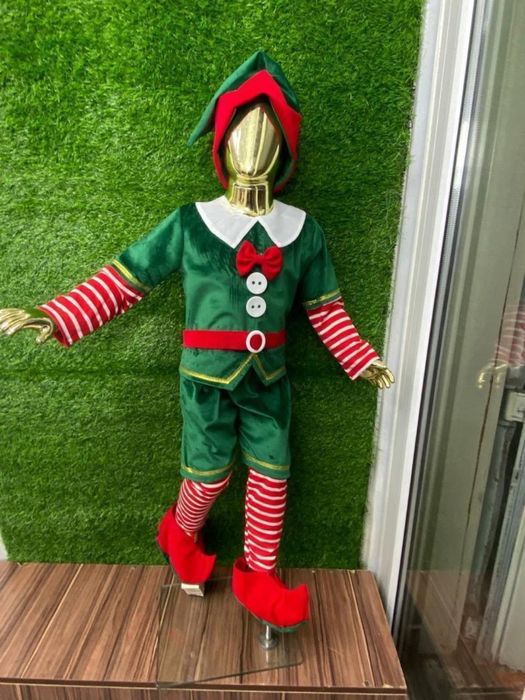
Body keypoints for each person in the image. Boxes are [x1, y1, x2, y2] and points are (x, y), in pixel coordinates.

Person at [0, 51, 394, 631]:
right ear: (223, 144)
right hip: (206, 379)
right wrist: (55, 316)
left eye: (267, 138)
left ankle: (259, 575)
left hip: (270, 380)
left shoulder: (303, 231)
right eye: (243, 134)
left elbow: (325, 308)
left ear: (285, 150)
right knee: (209, 476)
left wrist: (361, 359)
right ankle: (180, 533)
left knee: (273, 471)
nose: (254, 149)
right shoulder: (191, 223)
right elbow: (126, 279)